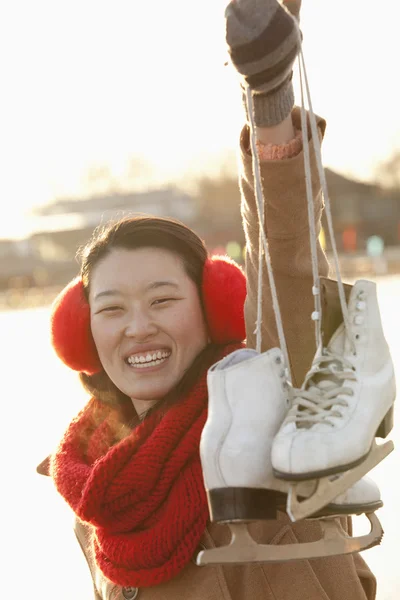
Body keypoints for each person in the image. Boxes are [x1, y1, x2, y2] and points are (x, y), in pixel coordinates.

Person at [40, 0, 379, 598]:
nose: (137, 326)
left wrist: (268, 97)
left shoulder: (270, 416)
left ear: (213, 309)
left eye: (163, 300)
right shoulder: (93, 487)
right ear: (81, 334)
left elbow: (286, 263)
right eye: (112, 308)